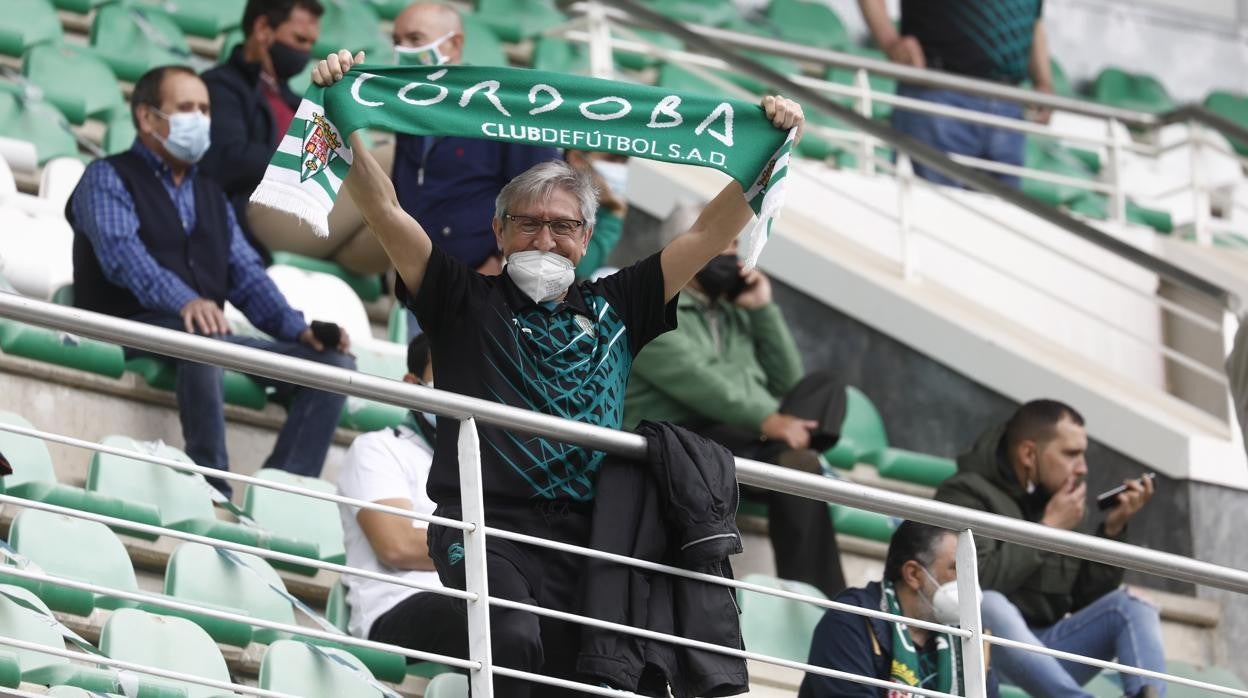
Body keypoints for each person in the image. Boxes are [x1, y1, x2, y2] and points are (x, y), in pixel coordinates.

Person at [311, 48, 804, 697]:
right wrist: (342, 110)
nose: (545, 241)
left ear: (587, 235)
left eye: (564, 227)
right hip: (484, 522)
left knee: (584, 679)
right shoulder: (462, 298)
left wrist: (769, 147)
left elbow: (711, 230)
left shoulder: (620, 303)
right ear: (499, 229)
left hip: (594, 534)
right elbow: (387, 212)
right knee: (513, 640)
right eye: (530, 224)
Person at [67, 65, 354, 498]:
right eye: (186, 108)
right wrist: (186, 302)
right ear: (147, 118)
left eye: (204, 109)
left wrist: (299, 330)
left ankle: (282, 494)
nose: (200, 119)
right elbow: (123, 257)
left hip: (201, 334)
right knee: (204, 337)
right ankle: (212, 485)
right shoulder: (106, 177)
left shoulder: (212, 197)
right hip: (124, 327)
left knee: (333, 366)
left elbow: (247, 278)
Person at [623, 238, 845, 599]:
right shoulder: (655, 308)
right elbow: (703, 384)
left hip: (743, 434)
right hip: (681, 434)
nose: (731, 260)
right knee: (798, 463)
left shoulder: (735, 312)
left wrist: (763, 311)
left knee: (825, 388)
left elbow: (789, 383)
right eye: (720, 249)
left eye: (734, 252)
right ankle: (823, 598)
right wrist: (768, 421)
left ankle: (820, 604)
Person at [936, 400, 1165, 698]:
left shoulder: (1063, 504)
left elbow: (1086, 602)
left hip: (1046, 659)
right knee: (988, 603)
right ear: (1029, 454)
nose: (1082, 468)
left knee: (1132, 606)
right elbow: (975, 585)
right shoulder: (965, 494)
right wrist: (1048, 530)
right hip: (983, 653)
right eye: (1071, 454)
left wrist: (1112, 531)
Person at [390, 2, 561, 277]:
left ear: (454, 44)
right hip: (415, 273)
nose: (402, 50)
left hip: (478, 278)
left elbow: (546, 192)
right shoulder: (409, 107)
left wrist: (504, 260)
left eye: (415, 39)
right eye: (397, 41)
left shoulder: (501, 107)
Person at [337, 334, 466, 660]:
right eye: (446, 375)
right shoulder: (377, 448)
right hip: (395, 608)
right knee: (489, 621)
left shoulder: (484, 468)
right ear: (412, 384)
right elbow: (397, 546)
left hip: (468, 601)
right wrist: (495, 554)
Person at [857, 0, 1052, 188]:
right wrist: (890, 42)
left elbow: (1033, 17)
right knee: (929, 213)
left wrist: (1043, 82)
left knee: (999, 218)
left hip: (1008, 107)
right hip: (938, 94)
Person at [801, 520, 998, 697]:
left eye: (970, 569)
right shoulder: (850, 621)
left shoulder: (969, 638)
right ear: (913, 574)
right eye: (956, 568)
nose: (969, 583)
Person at [200, 0, 322, 260]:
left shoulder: (301, 102)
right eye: (300, 39)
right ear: (263, 27)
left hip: (312, 210)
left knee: (411, 231)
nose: (305, 51)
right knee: (393, 158)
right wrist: (302, 160)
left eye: (311, 43)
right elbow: (230, 159)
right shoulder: (219, 86)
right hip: (254, 212)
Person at [564, 150, 629, 280]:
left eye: (623, 162)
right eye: (612, 159)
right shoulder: (554, 196)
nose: (619, 169)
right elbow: (580, 266)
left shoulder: (600, 204)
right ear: (576, 157)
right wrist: (615, 212)